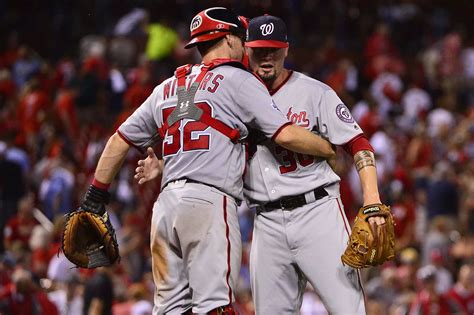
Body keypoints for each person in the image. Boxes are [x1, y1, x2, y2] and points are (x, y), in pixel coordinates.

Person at [84, 7, 336, 315]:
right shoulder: (238, 80)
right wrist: (328, 147)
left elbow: (118, 141)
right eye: (242, 38)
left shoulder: (167, 86)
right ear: (229, 40)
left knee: (169, 309)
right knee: (215, 307)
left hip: (165, 208)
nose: (246, 46)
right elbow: (284, 135)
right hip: (208, 203)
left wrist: (94, 199)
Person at [136, 14, 390, 314]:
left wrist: (371, 199)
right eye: (259, 50)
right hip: (266, 221)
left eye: (274, 49)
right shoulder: (229, 93)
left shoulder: (315, 92)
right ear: (245, 49)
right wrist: (167, 167)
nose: (267, 56)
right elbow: (211, 153)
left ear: (286, 49)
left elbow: (358, 144)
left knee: (349, 309)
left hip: (317, 212)